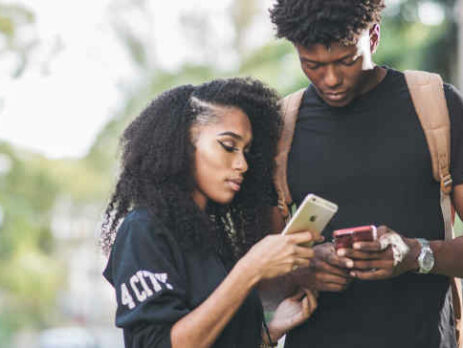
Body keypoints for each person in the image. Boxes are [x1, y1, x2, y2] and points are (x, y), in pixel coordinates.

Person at [267, 0, 463, 347]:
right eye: (312, 65)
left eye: (346, 61)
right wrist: (304, 267)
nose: (331, 80)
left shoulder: (435, 106)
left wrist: (417, 254)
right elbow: (259, 267)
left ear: (373, 37)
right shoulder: (281, 129)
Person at [101, 78, 320, 348]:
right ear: (182, 145)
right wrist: (249, 270)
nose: (242, 164)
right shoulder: (143, 230)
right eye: (228, 147)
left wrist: (270, 332)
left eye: (246, 152)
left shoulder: (212, 236)